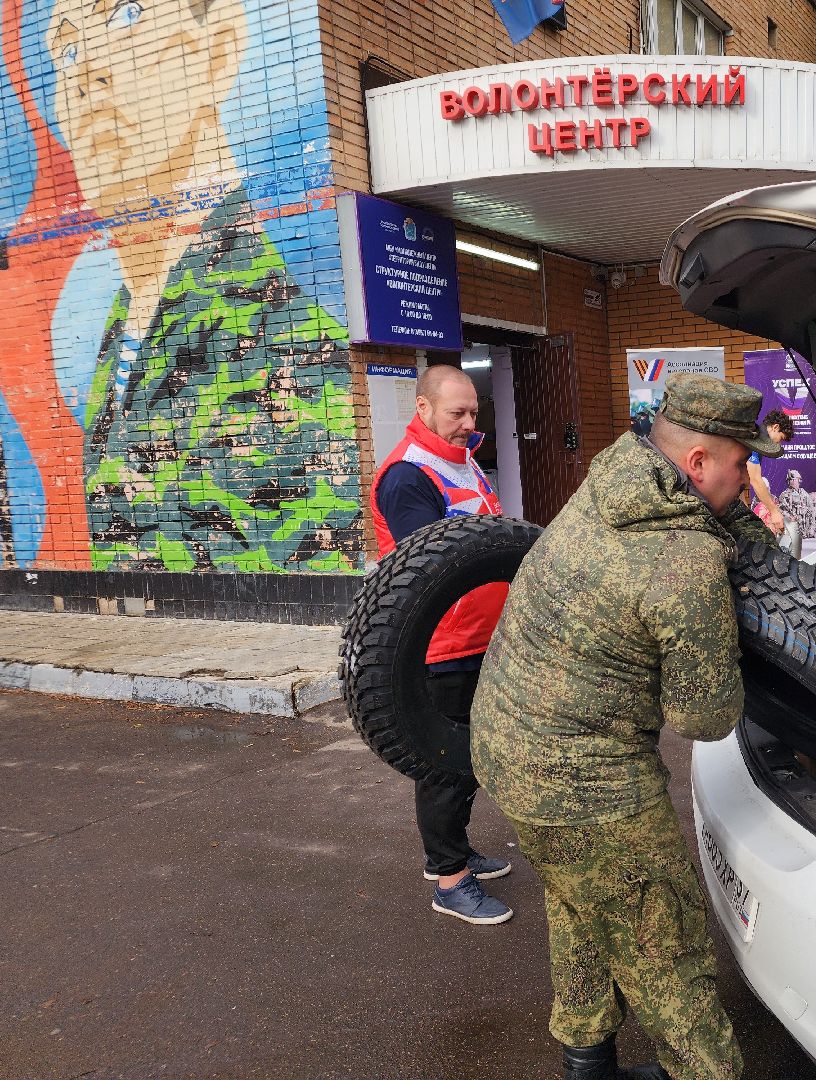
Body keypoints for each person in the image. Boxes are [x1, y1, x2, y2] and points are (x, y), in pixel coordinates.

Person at [471, 372, 780, 1080]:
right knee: (663, 940)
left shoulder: (612, 482)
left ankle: (588, 1063)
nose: (749, 474)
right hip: (587, 785)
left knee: (581, 900)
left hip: (507, 748)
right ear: (699, 463)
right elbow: (703, 717)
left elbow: (697, 513)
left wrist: (729, 523)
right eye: (742, 462)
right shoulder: (685, 562)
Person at [47, 0, 362, 572]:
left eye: (128, 16)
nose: (87, 70)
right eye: (66, 48)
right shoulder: (123, 336)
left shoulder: (288, 343)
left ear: (219, 49)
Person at [372, 364, 513, 926]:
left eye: (474, 412)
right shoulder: (408, 477)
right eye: (457, 413)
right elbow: (429, 566)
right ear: (424, 409)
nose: (468, 423)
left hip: (482, 639)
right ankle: (449, 877)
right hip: (444, 646)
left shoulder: (463, 461)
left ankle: (455, 850)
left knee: (469, 756)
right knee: (444, 762)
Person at [744, 409, 794, 536]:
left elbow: (743, 480)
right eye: (781, 438)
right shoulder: (755, 439)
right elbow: (755, 479)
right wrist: (774, 511)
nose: (779, 443)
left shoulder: (756, 438)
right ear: (775, 427)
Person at [776, 469, 813, 557]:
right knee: (791, 553)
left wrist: (811, 527)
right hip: (790, 530)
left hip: (804, 530)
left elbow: (811, 511)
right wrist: (788, 516)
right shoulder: (784, 495)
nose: (792, 481)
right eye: (790, 480)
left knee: (804, 554)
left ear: (799, 480)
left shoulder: (805, 494)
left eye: (794, 479)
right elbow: (779, 510)